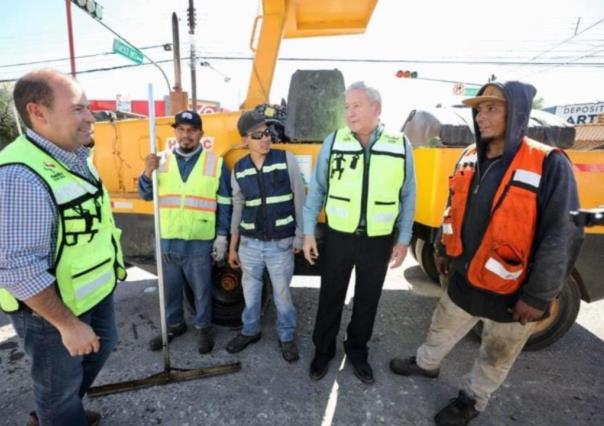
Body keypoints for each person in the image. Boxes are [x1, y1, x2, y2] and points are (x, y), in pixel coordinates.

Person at [389, 81, 583, 425]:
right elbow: (453, 208)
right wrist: (442, 249)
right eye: (479, 109)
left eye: (492, 108)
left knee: (496, 352)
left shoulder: (548, 163)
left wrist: (538, 296)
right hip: (464, 276)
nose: (481, 116)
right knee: (441, 326)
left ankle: (472, 400)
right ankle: (426, 364)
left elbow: (562, 234)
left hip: (512, 289)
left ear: (517, 113)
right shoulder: (469, 156)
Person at [0, 69, 127, 425]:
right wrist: (68, 325)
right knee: (57, 386)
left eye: (87, 107)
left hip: (91, 294)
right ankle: (58, 414)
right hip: (50, 313)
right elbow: (17, 267)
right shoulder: (20, 175)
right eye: (78, 109)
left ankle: (59, 411)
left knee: (97, 352)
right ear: (37, 112)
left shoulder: (76, 157)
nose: (91, 117)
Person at [303, 81, 416, 384]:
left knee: (367, 300)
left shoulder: (399, 144)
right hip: (339, 236)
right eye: (347, 107)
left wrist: (404, 239)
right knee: (330, 296)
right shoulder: (334, 141)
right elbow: (317, 189)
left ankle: (357, 351)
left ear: (376, 108)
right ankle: (323, 351)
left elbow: (408, 195)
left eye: (356, 106)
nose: (349, 113)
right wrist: (309, 232)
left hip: (378, 240)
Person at [138, 110, 232, 354]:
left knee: (202, 290)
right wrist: (147, 172)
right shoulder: (160, 161)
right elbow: (146, 195)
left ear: (200, 134)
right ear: (175, 133)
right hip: (169, 238)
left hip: (199, 240)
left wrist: (222, 236)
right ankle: (174, 325)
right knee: (170, 288)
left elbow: (224, 202)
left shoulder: (215, 163)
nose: (186, 135)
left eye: (191, 130)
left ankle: (203, 327)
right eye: (181, 130)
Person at [226, 106, 305, 362]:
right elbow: (238, 207)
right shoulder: (239, 169)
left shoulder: (286, 160)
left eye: (268, 133)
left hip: (280, 243)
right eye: (258, 135)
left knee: (282, 294)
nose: (266, 139)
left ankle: (287, 336)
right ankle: (250, 331)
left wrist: (300, 236)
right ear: (245, 140)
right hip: (249, 244)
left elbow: (300, 199)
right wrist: (233, 246)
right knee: (250, 291)